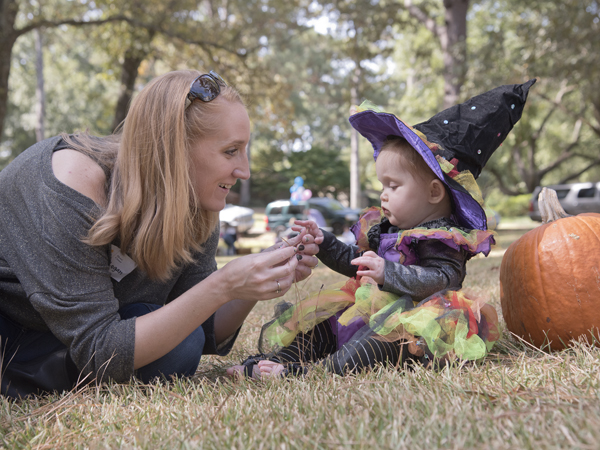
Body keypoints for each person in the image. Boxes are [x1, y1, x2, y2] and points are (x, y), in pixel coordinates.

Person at [0, 70, 320, 399]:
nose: (244, 170)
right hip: (13, 329)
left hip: (71, 345)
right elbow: (100, 348)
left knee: (182, 344)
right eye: (230, 151)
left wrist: (261, 273)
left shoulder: (197, 203)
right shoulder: (72, 180)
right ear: (174, 149)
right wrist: (221, 284)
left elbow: (204, 328)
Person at [228, 79, 536, 379]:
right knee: (324, 326)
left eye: (393, 185)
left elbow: (439, 279)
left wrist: (387, 273)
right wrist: (324, 243)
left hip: (416, 323)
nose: (383, 195)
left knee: (374, 345)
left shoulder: (443, 239)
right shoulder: (386, 228)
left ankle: (310, 373)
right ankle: (279, 360)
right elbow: (358, 263)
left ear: (433, 193)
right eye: (382, 185)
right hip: (371, 309)